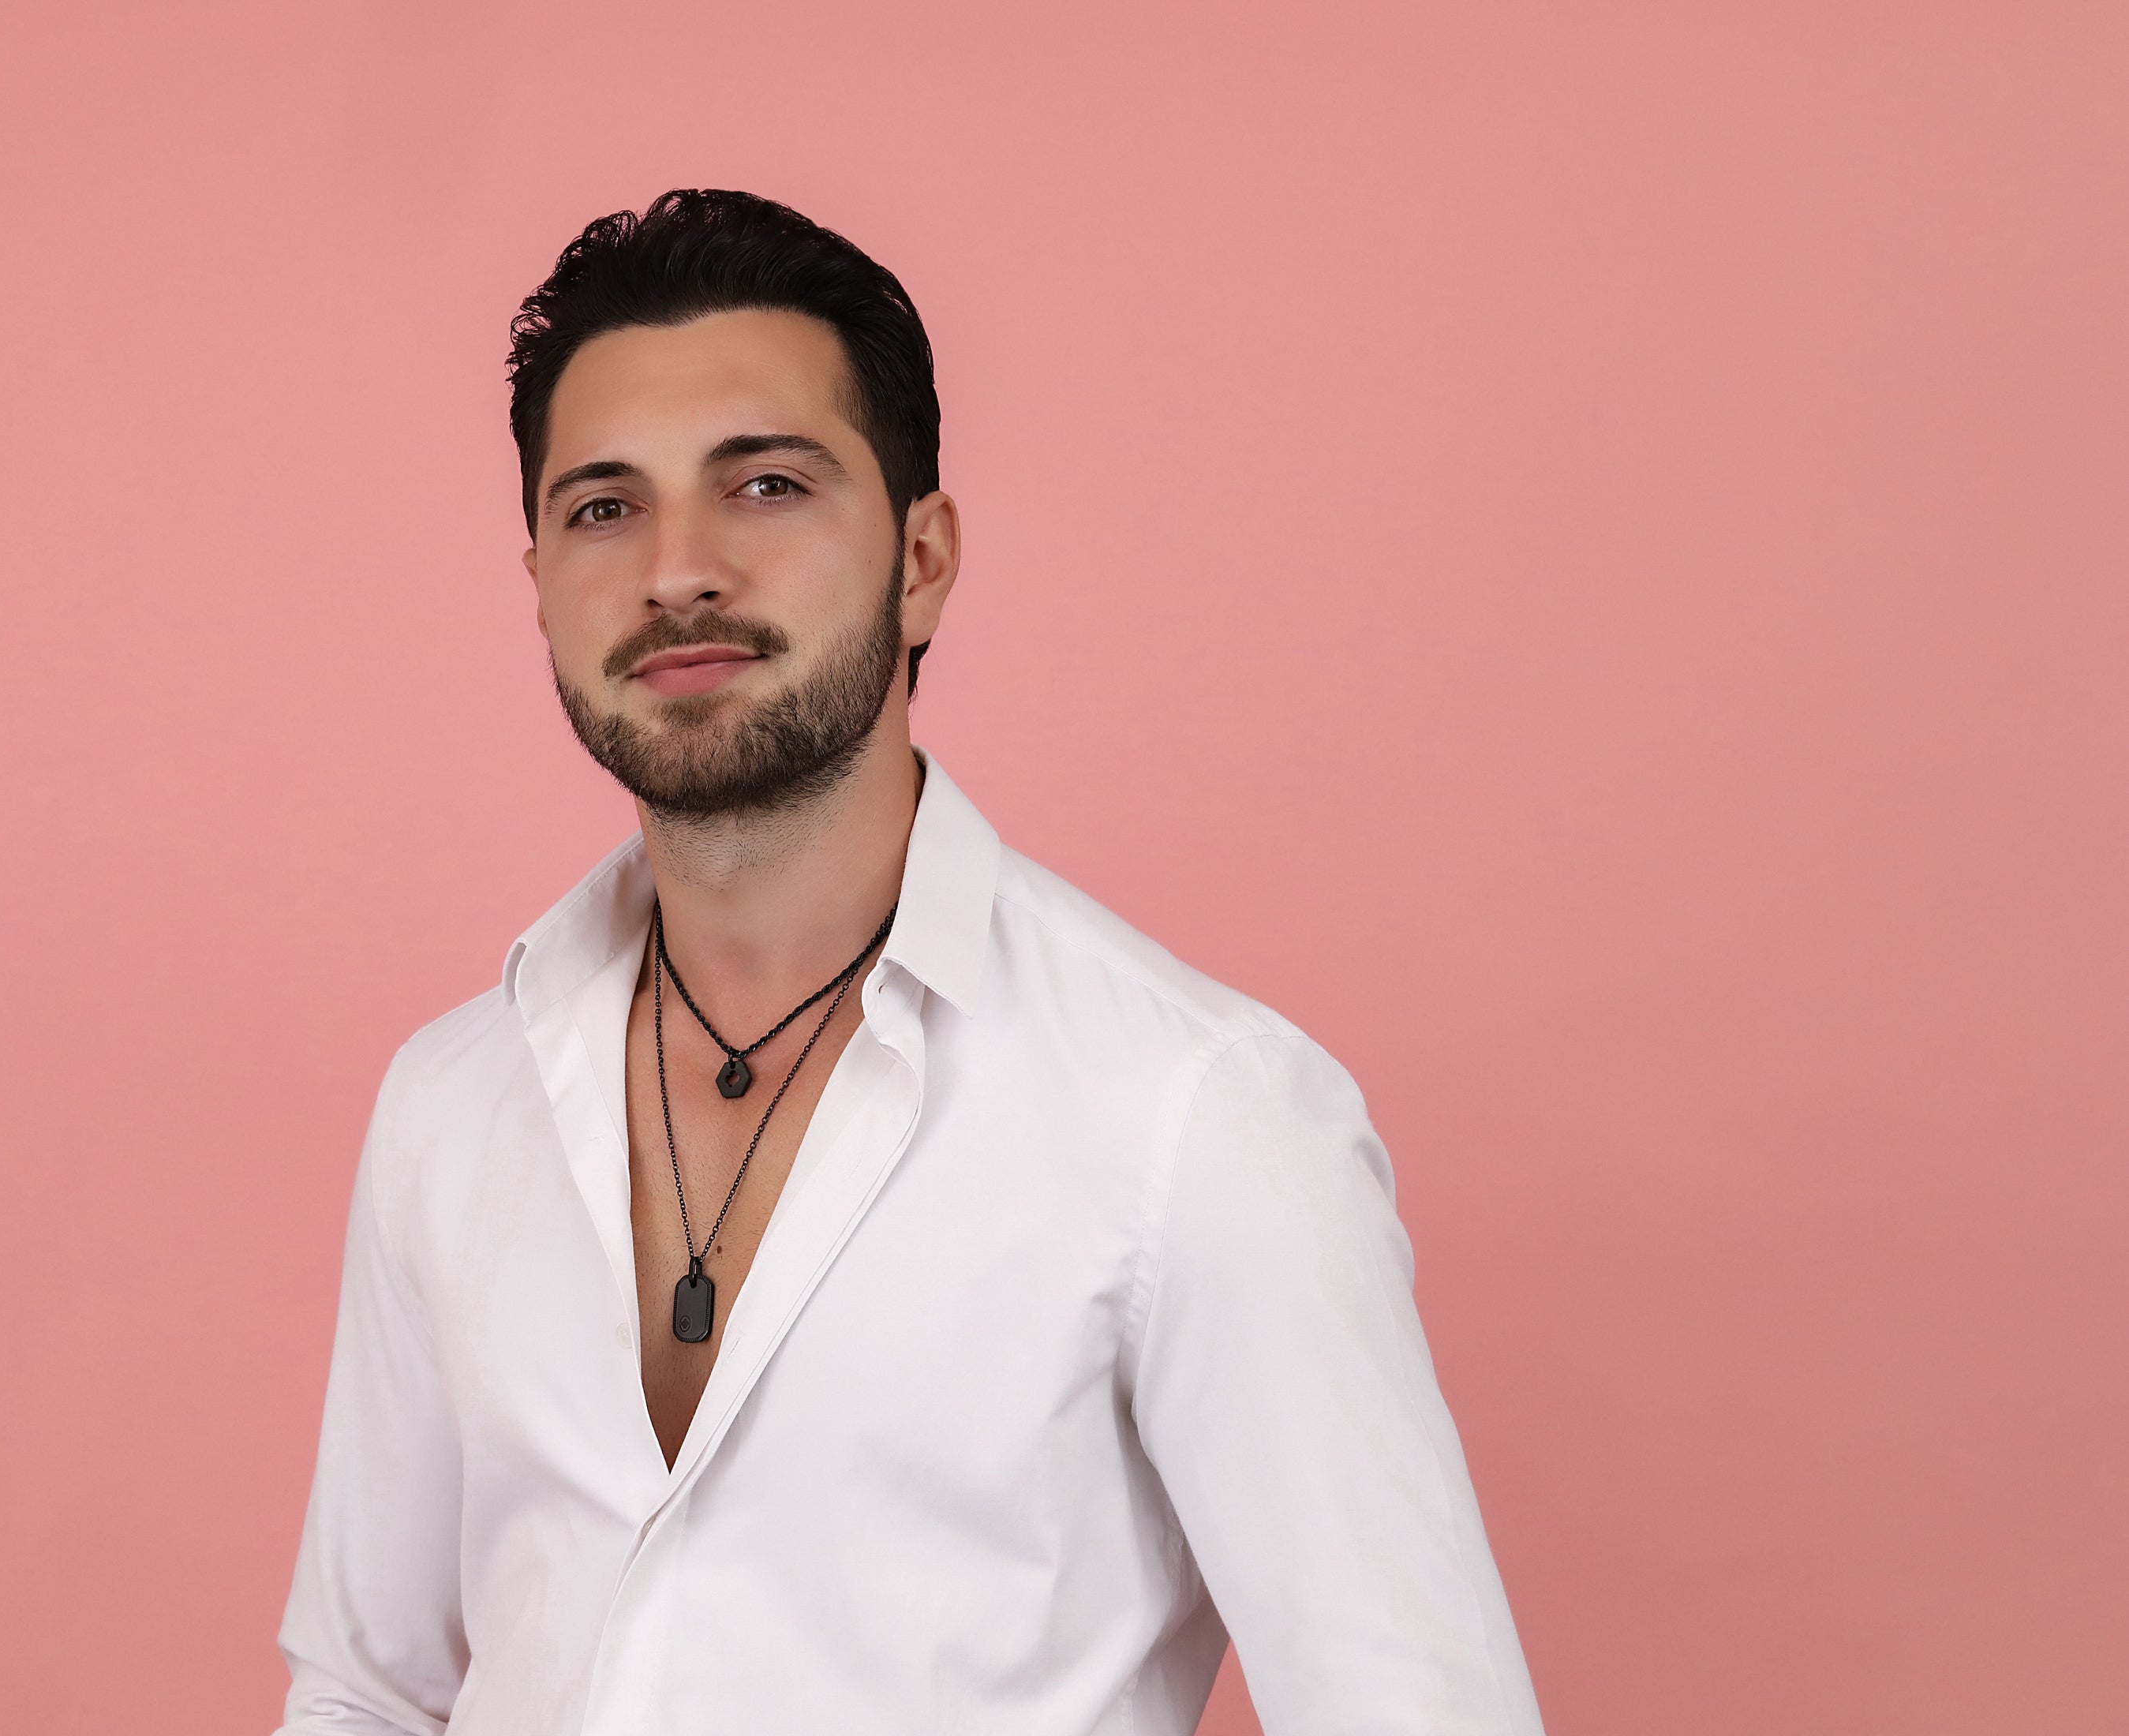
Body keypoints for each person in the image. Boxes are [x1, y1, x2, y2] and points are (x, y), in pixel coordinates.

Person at [274, 188, 1543, 1736]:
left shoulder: (1199, 1116)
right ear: (537, 577)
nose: (678, 569)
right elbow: (366, 1693)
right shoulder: (451, 1103)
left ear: (923, 557)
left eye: (766, 484)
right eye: (603, 507)